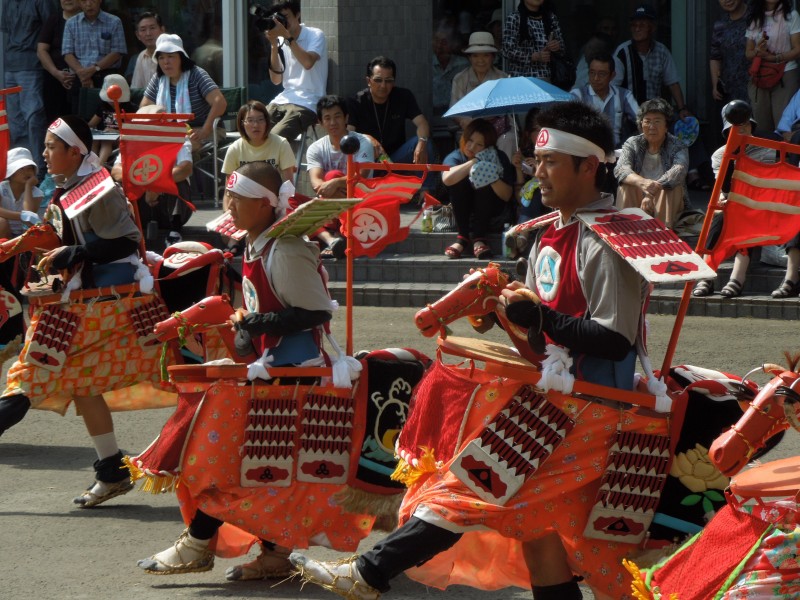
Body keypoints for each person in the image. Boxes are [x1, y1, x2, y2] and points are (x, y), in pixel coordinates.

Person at [289, 101, 653, 600]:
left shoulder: (606, 238)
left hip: (593, 408)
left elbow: (615, 339)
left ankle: (369, 573)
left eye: (551, 163)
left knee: (472, 482)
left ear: (589, 166)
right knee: (536, 531)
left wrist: (538, 318)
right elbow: (545, 334)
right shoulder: (553, 229)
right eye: (536, 161)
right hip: (560, 397)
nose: (538, 172)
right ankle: (368, 572)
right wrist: (505, 312)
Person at [136, 162, 356, 581]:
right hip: (271, 370)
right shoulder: (258, 245)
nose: (229, 205)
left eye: (238, 197)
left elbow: (313, 313)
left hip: (298, 375)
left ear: (264, 202)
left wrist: (256, 325)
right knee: (257, 466)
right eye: (228, 196)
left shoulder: (287, 249)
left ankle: (198, 544)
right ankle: (271, 552)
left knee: (227, 457)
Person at [0, 115, 175, 507]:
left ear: (74, 151)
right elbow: (56, 233)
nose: (44, 154)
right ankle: (112, 469)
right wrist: (17, 246)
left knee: (27, 380)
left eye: (50, 146)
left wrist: (77, 252)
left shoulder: (99, 191)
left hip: (106, 304)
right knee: (83, 385)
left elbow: (125, 242)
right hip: (81, 302)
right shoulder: (67, 188)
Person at [693, 101, 796, 299]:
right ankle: (706, 276)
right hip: (737, 205)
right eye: (736, 126)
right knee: (724, 213)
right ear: (727, 130)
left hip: (766, 206)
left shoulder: (769, 149)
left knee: (746, 211)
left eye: (746, 125)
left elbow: (776, 185)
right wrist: (732, 158)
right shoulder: (720, 155)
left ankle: (737, 278)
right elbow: (723, 190)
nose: (742, 129)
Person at [110, 104, 194, 248]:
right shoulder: (131, 140)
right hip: (140, 200)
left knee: (180, 182)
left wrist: (157, 186)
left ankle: (174, 232)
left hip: (168, 204)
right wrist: (147, 185)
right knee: (117, 185)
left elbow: (184, 169)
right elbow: (116, 172)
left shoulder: (178, 137)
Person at [220, 99, 295, 252]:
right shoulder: (235, 149)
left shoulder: (281, 143)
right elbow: (229, 189)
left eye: (260, 120)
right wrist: (228, 211)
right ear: (242, 123)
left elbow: (288, 184)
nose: (256, 125)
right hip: (244, 204)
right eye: (251, 120)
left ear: (267, 123)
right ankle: (236, 242)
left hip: (271, 202)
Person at [306, 95, 375, 259]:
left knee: (333, 175)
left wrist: (336, 182)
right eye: (327, 118)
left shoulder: (362, 141)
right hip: (329, 202)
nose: (332, 122)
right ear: (320, 122)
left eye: (337, 117)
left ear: (346, 118)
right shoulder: (316, 148)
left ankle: (332, 231)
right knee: (292, 202)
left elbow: (361, 175)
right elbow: (316, 181)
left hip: (359, 200)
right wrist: (327, 187)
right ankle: (333, 239)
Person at [139, 33, 227, 151]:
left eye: (170, 56)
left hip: (206, 130)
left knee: (182, 146)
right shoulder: (158, 79)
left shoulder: (197, 74)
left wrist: (205, 130)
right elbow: (144, 108)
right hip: (172, 133)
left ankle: (183, 169)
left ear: (181, 57)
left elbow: (220, 102)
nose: (166, 62)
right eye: (161, 57)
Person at [442, 118, 514, 260]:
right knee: (459, 179)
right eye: (470, 140)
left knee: (483, 176)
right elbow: (447, 179)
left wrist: (489, 174)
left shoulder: (499, 157)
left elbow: (507, 195)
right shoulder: (456, 156)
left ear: (488, 146)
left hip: (493, 214)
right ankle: (462, 237)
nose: (471, 147)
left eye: (479, 144)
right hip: (465, 214)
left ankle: (479, 238)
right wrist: (475, 162)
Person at [347, 56, 434, 168]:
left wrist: (422, 142)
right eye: (378, 80)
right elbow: (349, 134)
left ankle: (426, 186)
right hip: (370, 160)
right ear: (368, 81)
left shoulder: (403, 96)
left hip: (396, 158)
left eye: (388, 81)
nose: (383, 85)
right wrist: (369, 139)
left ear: (394, 82)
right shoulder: (356, 102)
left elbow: (422, 123)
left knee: (426, 144)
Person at [615, 98, 688, 230]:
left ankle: (661, 236)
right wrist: (642, 183)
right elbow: (621, 169)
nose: (652, 127)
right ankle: (626, 234)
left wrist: (650, 193)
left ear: (666, 126)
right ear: (641, 124)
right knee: (626, 186)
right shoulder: (633, 143)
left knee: (671, 188)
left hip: (664, 201)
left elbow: (679, 170)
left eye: (657, 121)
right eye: (647, 121)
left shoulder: (678, 145)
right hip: (638, 196)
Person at [1, 0, 54, 174]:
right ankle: (20, 168)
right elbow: (6, 30)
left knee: (33, 117)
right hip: (10, 64)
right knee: (15, 121)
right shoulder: (6, 3)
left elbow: (50, 27)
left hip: (31, 63)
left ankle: (38, 169)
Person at [265, 0, 328, 144]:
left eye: (285, 17)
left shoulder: (315, 35)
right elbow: (276, 80)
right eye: (278, 18)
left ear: (298, 14)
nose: (282, 23)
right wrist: (274, 46)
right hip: (283, 98)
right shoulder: (280, 39)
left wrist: (287, 37)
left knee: (276, 137)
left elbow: (307, 63)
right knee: (254, 128)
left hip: (308, 102)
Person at [613, 5, 690, 116]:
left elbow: (673, 83)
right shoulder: (622, 52)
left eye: (642, 25)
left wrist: (682, 109)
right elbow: (614, 88)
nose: (637, 29)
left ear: (653, 28)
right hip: (627, 116)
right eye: (634, 25)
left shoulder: (661, 51)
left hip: (654, 114)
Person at [450, 31, 515, 161]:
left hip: (498, 128)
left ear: (493, 57)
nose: (480, 61)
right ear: (469, 57)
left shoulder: (502, 78)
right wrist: (468, 122)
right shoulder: (460, 79)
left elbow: (508, 111)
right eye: (475, 56)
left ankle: (503, 177)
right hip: (470, 127)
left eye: (486, 55)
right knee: (472, 143)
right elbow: (454, 110)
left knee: (508, 139)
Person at [62, 0, 127, 113]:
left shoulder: (114, 21)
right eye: (84, 1)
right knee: (79, 118)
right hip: (80, 77)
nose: (88, 4)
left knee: (107, 119)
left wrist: (93, 70)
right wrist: (83, 74)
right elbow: (67, 53)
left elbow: (117, 52)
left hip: (107, 76)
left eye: (92, 0)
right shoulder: (71, 23)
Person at [745, 0, 800, 133]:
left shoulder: (792, 15)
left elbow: (798, 49)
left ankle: (782, 154)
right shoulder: (755, 18)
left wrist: (775, 58)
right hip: (760, 76)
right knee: (761, 125)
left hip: (786, 74)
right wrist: (758, 51)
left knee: (783, 126)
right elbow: (748, 53)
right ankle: (764, 153)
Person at [570, 51, 639, 149]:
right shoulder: (577, 95)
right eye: (592, 73)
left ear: (612, 76)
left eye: (601, 74)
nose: (596, 78)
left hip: (616, 153)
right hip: (586, 153)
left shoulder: (624, 95)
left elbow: (641, 120)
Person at [36, 0, 80, 124]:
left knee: (77, 120)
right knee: (55, 120)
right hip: (54, 77)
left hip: (82, 77)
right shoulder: (54, 20)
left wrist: (80, 73)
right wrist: (56, 73)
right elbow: (41, 50)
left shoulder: (86, 21)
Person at [500, 0, 565, 80]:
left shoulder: (551, 18)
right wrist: (532, 56)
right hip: (522, 78)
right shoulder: (515, 18)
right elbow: (506, 50)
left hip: (547, 77)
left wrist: (556, 46)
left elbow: (562, 48)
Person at [87, 74, 136, 166]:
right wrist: (91, 130)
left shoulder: (129, 108)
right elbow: (92, 123)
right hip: (104, 135)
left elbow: (134, 129)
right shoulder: (103, 106)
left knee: (106, 141)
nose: (111, 102)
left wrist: (116, 131)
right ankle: (91, 164)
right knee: (94, 140)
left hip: (121, 138)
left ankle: (98, 166)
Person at [710, 0, 751, 108]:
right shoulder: (720, 25)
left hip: (756, 87)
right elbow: (715, 57)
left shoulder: (756, 18)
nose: (727, 1)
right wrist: (715, 85)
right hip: (729, 90)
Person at [0, 148, 44, 239]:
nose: (26, 172)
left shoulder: (37, 192)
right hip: (4, 229)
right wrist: (20, 216)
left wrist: (28, 186)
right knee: (1, 222)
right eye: (21, 169)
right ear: (11, 173)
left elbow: (29, 214)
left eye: (29, 168)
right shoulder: (2, 187)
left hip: (24, 233)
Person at [432, 26, 469, 117]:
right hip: (432, 115)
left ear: (452, 45)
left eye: (444, 42)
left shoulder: (463, 65)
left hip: (458, 114)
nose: (439, 46)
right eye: (437, 41)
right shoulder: (426, 64)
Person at [129, 12, 165, 89]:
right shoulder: (142, 56)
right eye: (143, 30)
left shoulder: (172, 53)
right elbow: (136, 88)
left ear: (162, 30)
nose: (148, 33)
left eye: (152, 28)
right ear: (138, 35)